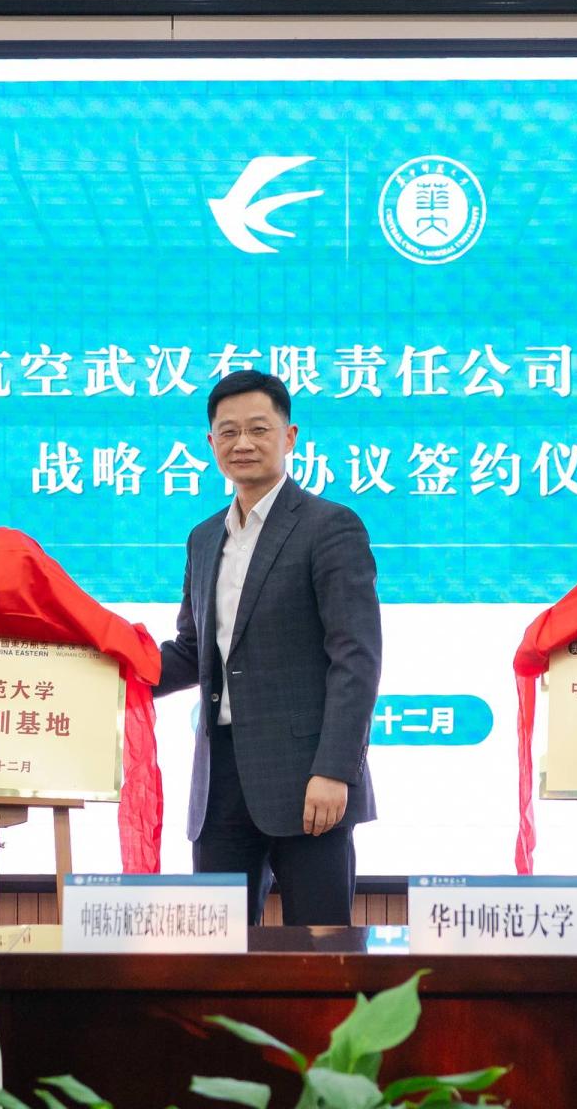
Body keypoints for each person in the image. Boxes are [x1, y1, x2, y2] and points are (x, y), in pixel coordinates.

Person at [156, 370, 381, 926]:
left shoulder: (330, 526)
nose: (243, 443)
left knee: (321, 949)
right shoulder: (204, 538)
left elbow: (355, 659)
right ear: (211, 442)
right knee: (216, 948)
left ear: (289, 436)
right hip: (219, 782)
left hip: (309, 781)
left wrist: (335, 770)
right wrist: (103, 664)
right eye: (228, 432)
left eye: (259, 429)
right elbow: (192, 652)